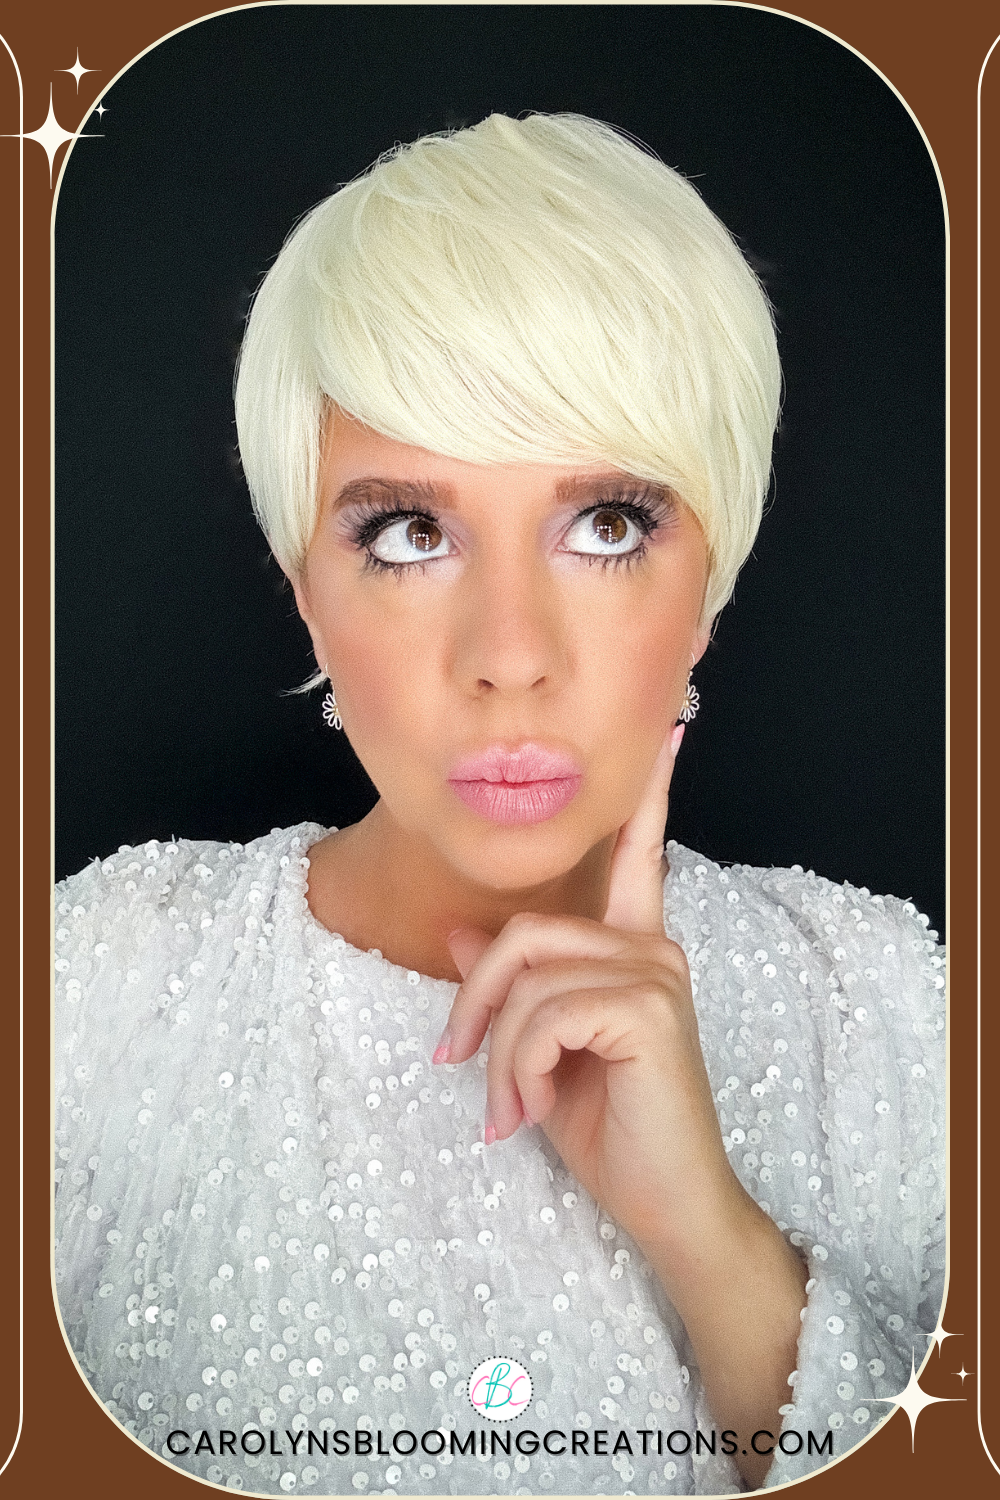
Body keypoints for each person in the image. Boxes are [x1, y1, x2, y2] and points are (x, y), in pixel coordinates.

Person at [53, 113, 945, 1496]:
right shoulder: (93, 990)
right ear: (305, 588)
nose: (511, 655)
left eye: (607, 526)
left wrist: (715, 1242)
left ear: (710, 584)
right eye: (411, 533)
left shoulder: (893, 1014)